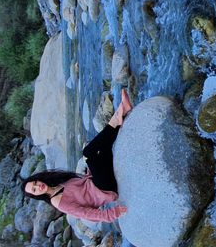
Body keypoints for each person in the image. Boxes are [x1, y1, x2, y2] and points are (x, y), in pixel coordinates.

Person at [23, 90, 133, 223]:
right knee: (88, 153)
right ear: (36, 195)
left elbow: (84, 187)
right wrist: (111, 214)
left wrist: (91, 172)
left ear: (38, 179)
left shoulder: (56, 183)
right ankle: (119, 114)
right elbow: (86, 214)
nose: (38, 186)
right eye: (34, 190)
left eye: (35, 183)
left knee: (104, 148)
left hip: (99, 181)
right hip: (105, 189)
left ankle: (123, 110)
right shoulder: (58, 202)